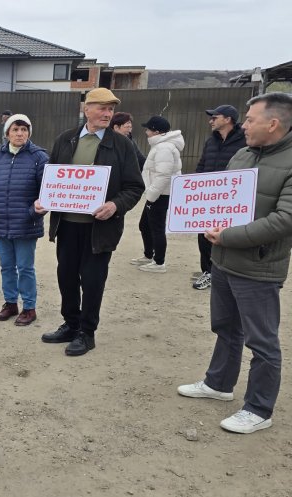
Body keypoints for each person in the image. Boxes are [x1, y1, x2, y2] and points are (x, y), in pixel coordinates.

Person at [177, 92, 292, 434]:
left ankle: (258, 409)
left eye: (251, 119)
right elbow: (219, 197)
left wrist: (228, 236)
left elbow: (285, 219)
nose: (244, 124)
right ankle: (219, 384)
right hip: (224, 261)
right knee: (226, 327)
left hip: (258, 266)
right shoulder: (243, 154)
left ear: (273, 123)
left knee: (262, 341)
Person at [36, 87, 144, 356]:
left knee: (93, 280)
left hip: (100, 229)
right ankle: (70, 324)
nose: (107, 113)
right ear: (87, 110)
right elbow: (52, 180)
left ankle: (87, 332)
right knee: (67, 276)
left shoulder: (122, 145)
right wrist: (44, 200)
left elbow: (134, 186)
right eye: (102, 108)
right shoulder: (66, 140)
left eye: (111, 109)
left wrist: (115, 205)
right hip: (67, 225)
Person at [0, 113, 47, 325]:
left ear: (29, 132)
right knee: (6, 266)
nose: (20, 133)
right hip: (0, 221)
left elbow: (47, 191)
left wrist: (34, 212)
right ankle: (10, 303)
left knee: (25, 267)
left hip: (26, 223)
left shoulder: (39, 157)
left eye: (24, 129)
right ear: (7, 133)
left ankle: (29, 307)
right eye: (15, 130)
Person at [191, 104, 247, 290]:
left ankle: (226, 273)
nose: (211, 121)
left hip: (232, 200)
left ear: (228, 119)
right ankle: (208, 271)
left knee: (229, 236)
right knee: (204, 235)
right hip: (208, 199)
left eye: (215, 117)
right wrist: (195, 188)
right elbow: (202, 165)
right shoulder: (211, 141)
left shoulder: (244, 141)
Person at [130, 116, 184, 274]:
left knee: (156, 228)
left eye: (148, 129)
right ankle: (149, 255)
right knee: (144, 225)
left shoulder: (164, 148)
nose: (146, 132)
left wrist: (152, 194)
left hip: (161, 194)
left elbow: (163, 175)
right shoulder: (161, 146)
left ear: (156, 131)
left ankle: (159, 262)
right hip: (158, 193)